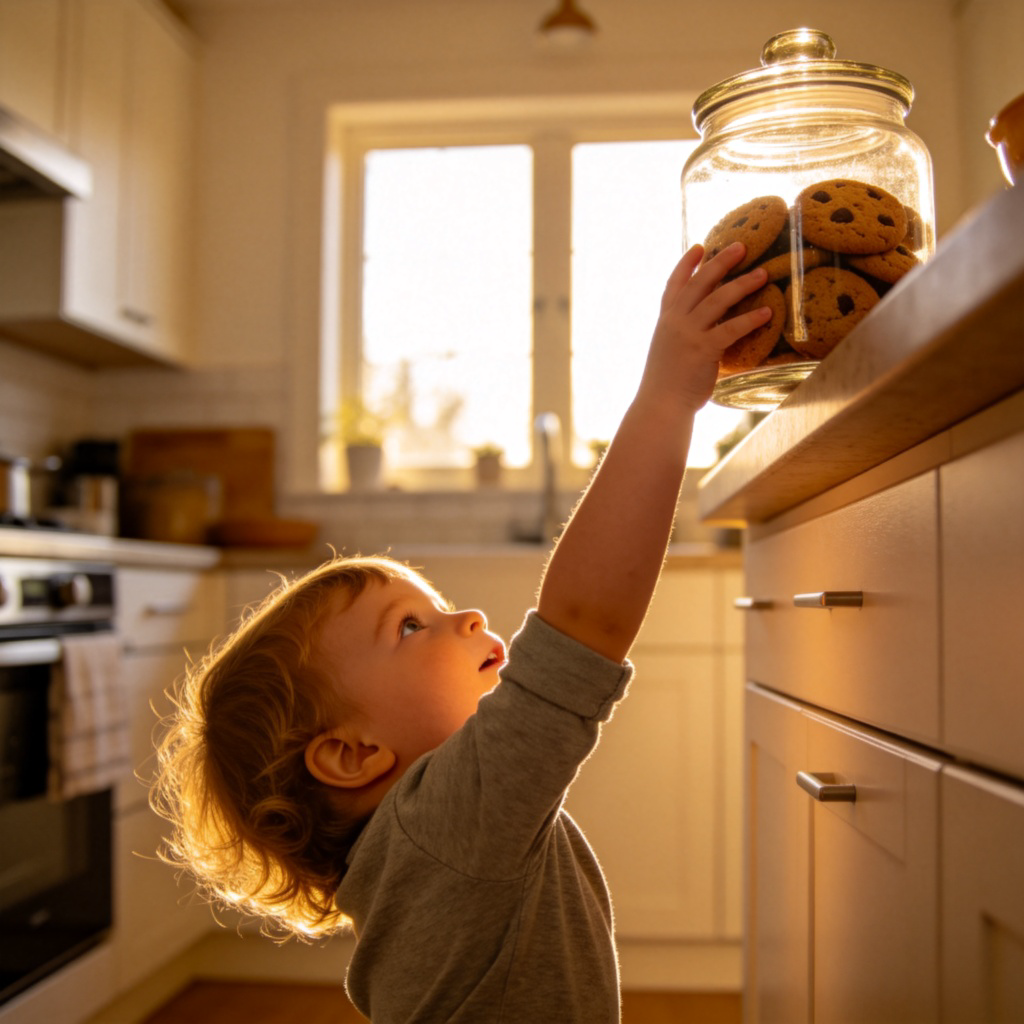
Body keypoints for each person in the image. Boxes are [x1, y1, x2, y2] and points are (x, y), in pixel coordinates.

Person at [151, 241, 771, 1023]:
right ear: (352, 753)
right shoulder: (449, 825)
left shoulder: (414, 852)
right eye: (412, 626)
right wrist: (666, 396)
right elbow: (581, 626)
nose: (467, 618)